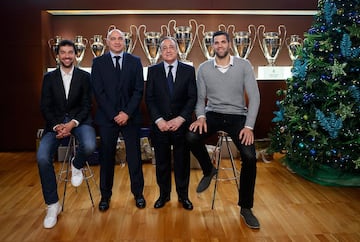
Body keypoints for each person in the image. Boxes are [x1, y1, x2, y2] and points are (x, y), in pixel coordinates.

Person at [187, 31, 261, 229]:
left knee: (250, 157)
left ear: (229, 44)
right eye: (216, 43)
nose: (219, 45)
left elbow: (254, 97)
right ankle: (209, 169)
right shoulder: (203, 68)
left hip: (238, 116)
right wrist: (201, 117)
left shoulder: (243, 65)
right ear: (212, 46)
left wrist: (249, 126)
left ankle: (246, 207)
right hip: (213, 114)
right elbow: (200, 98)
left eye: (223, 42)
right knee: (191, 136)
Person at [37, 39, 96, 229]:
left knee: (89, 145)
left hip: (79, 121)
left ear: (76, 54)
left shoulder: (85, 77)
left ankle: (76, 164)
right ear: (58, 55)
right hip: (55, 126)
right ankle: (53, 205)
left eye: (70, 52)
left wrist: (71, 124)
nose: (67, 56)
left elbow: (87, 104)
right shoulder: (48, 78)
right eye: (63, 52)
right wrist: (57, 126)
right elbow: (45, 106)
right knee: (42, 157)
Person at [91, 28, 146, 211]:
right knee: (106, 158)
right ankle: (105, 197)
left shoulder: (135, 61)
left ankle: (138, 194)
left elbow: (139, 90)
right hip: (107, 118)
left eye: (120, 39)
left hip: (131, 118)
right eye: (113, 39)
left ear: (125, 42)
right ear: (107, 42)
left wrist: (126, 114)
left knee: (134, 157)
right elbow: (98, 92)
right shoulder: (98, 62)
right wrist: (114, 114)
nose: (116, 41)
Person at [146, 36, 197, 210]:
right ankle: (164, 195)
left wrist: (180, 118)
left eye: (171, 47)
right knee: (162, 162)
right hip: (160, 126)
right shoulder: (153, 71)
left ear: (177, 50)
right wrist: (159, 120)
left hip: (181, 125)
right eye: (164, 48)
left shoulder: (188, 71)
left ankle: (183, 196)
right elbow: (150, 99)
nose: (168, 50)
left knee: (182, 162)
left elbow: (192, 98)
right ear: (160, 52)